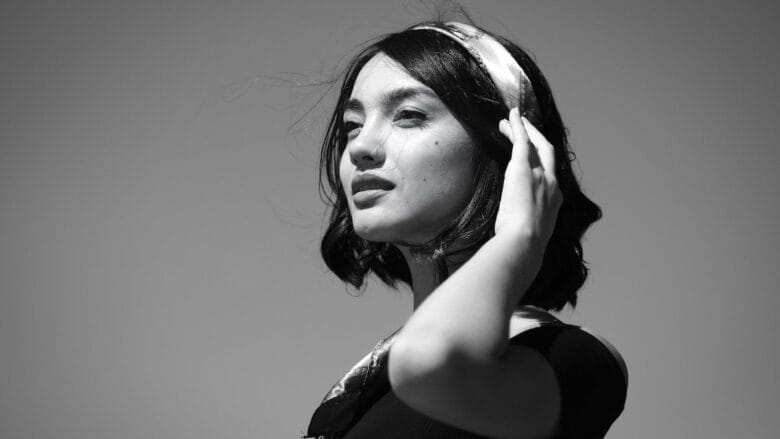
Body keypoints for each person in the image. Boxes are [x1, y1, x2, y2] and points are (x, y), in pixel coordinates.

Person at [304, 19, 628, 439]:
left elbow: (429, 362)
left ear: (514, 148)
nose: (361, 146)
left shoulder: (569, 357)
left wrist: (520, 236)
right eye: (353, 124)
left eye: (408, 115)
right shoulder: (369, 380)